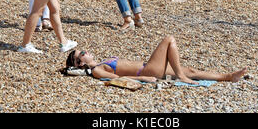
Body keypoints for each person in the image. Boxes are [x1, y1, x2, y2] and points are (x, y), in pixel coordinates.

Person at [65, 36, 248, 84]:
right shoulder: (97, 70)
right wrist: (143, 79)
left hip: (148, 67)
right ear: (79, 63)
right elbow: (116, 79)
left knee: (190, 70)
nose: (86, 52)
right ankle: (181, 76)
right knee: (169, 40)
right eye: (82, 53)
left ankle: (228, 77)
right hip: (146, 71)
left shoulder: (100, 63)